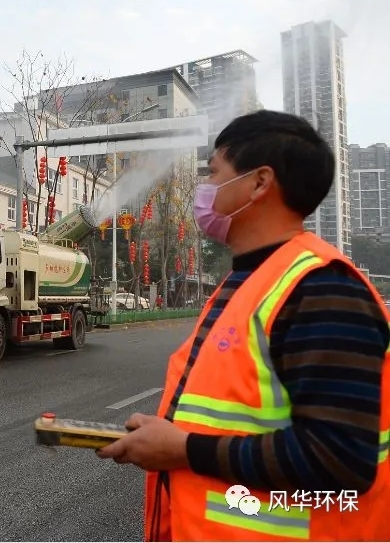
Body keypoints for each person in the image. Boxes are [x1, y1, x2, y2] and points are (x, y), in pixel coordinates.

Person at [96, 110, 390, 541]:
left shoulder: (322, 289)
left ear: (259, 182)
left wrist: (182, 449)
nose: (205, 189)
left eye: (214, 173)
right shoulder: (246, 282)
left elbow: (340, 457)